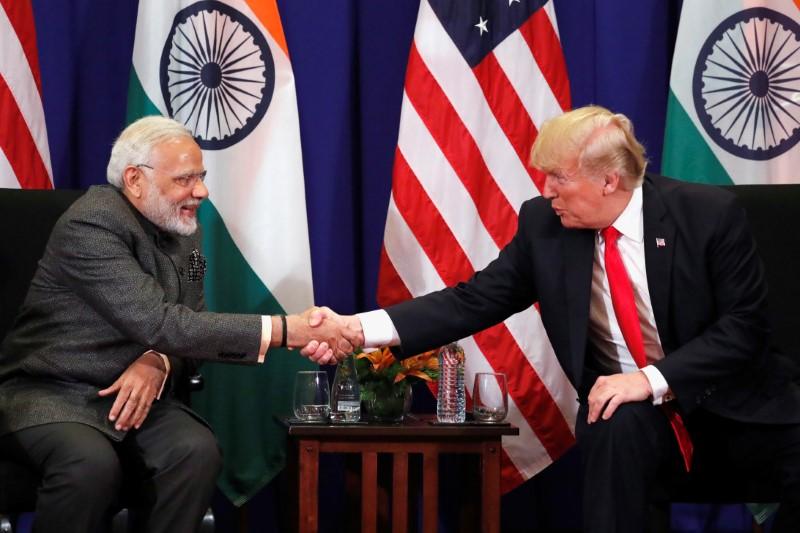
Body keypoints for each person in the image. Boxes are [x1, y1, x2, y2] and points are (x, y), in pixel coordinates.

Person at [304, 106, 800, 532]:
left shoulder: (707, 214)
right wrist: (356, 328)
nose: (547, 191)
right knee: (614, 417)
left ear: (610, 179)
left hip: (737, 406)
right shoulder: (546, 225)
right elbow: (472, 300)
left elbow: (743, 328)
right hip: (633, 419)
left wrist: (647, 379)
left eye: (558, 178)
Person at [0, 116, 354, 533]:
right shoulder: (91, 225)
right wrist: (284, 330)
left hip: (135, 399)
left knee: (194, 450)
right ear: (134, 179)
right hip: (54, 391)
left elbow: (191, 320)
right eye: (185, 179)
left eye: (201, 177)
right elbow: (159, 320)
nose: (201, 191)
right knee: (88, 464)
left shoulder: (189, 237)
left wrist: (158, 362)